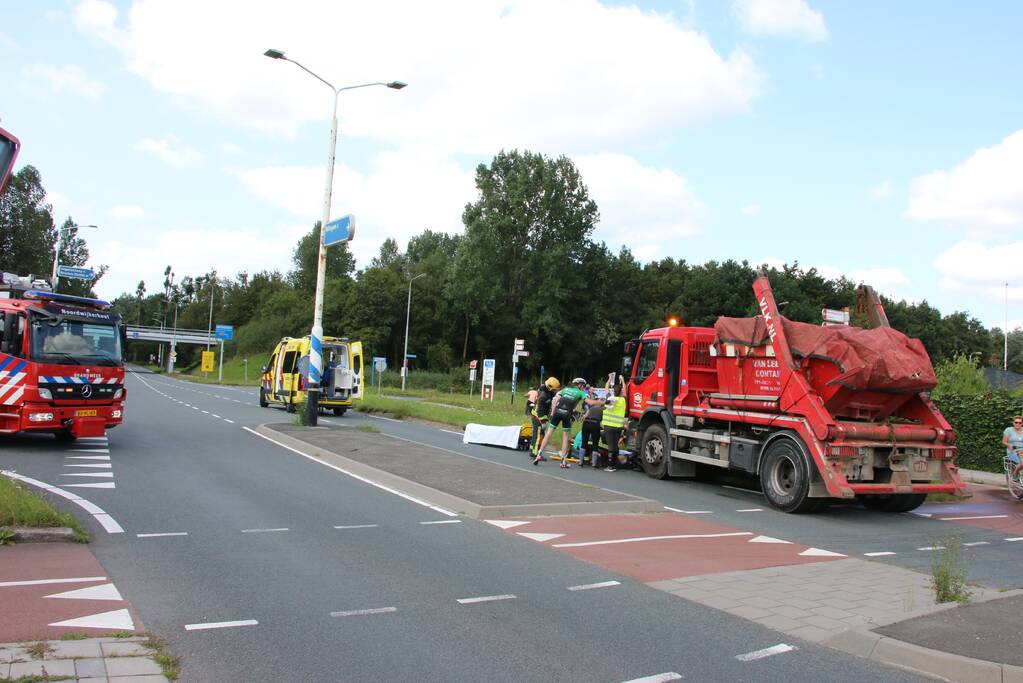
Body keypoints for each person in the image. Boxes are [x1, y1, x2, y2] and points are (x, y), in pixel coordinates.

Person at [534, 377, 593, 468]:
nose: (584, 388)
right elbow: (588, 403)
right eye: (584, 386)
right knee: (565, 437)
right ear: (580, 385)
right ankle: (563, 461)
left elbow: (555, 400)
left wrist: (553, 413)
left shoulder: (565, 389)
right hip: (566, 414)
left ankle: (539, 454)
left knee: (548, 434)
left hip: (557, 412)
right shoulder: (581, 393)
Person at [600, 375, 628, 472]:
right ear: (620, 392)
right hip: (618, 426)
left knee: (610, 446)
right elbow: (625, 390)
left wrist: (609, 379)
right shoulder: (623, 400)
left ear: (613, 391)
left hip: (608, 426)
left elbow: (606, 388)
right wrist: (622, 380)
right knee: (615, 445)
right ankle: (615, 464)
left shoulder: (609, 399)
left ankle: (610, 466)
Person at [529, 377, 560, 459]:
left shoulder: (546, 391)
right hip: (538, 417)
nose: (555, 391)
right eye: (554, 389)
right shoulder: (543, 396)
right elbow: (541, 411)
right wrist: (543, 422)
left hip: (537, 416)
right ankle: (536, 454)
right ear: (549, 387)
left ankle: (532, 451)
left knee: (538, 435)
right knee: (538, 436)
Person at [579, 388, 603, 467]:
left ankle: (580, 462)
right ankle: (594, 463)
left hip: (586, 423)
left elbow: (584, 417)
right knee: (595, 444)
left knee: (584, 442)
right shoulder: (603, 409)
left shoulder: (591, 408)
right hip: (595, 424)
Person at [1003, 415, 1023, 481]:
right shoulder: (1008, 430)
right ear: (1013, 423)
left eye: (1020, 422)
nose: (1018, 424)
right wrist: (1009, 445)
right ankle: (1015, 473)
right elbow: (1004, 441)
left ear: (1022, 423)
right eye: (1016, 422)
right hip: (1012, 451)